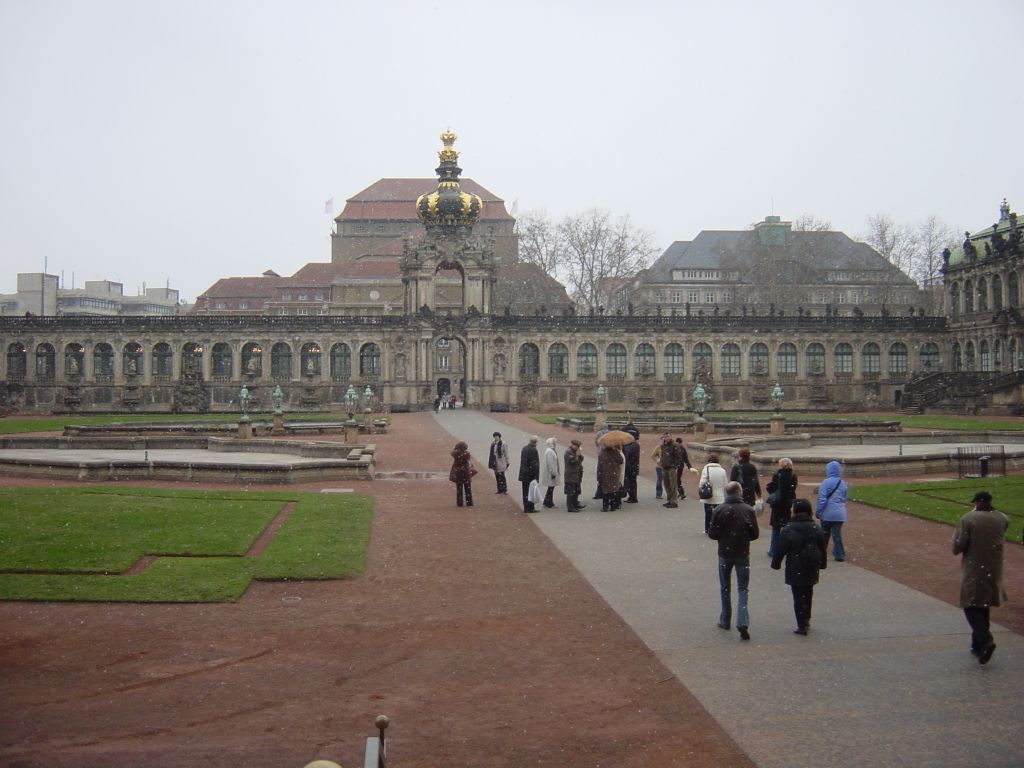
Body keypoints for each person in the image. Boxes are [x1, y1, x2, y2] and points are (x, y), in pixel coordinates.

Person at [951, 491, 1009, 664]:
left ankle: (985, 641)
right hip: (994, 566)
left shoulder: (968, 519)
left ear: (976, 503)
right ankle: (977, 645)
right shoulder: (1002, 518)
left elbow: (958, 546)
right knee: (983, 604)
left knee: (970, 604)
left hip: (974, 566)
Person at [708, 481, 759, 640]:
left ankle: (725, 619)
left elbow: (712, 533)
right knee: (743, 588)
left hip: (725, 552)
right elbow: (755, 534)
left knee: (725, 586)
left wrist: (723, 537)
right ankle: (742, 620)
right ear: (739, 492)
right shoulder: (748, 510)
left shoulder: (719, 510)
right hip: (742, 552)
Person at [771, 498, 826, 635]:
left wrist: (776, 563)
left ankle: (801, 623)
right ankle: (806, 618)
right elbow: (822, 548)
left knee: (798, 595)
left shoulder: (789, 529)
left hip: (795, 565)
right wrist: (822, 563)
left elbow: (781, 549)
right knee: (808, 592)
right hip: (811, 564)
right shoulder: (815, 528)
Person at [765, 457, 798, 557]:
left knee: (776, 529)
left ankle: (774, 550)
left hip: (778, 504)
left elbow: (773, 488)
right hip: (788, 503)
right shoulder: (793, 475)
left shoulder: (777, 475)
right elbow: (793, 489)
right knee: (788, 528)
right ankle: (787, 549)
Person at [815, 460, 848, 561]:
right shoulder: (843, 483)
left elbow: (822, 499)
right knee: (837, 535)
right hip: (840, 513)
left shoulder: (825, 482)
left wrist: (818, 511)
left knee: (824, 534)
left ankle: (820, 553)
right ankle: (839, 554)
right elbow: (844, 498)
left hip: (827, 513)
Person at [699, 454, 728, 533]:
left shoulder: (706, 469)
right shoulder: (722, 470)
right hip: (719, 495)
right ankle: (718, 527)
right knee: (719, 513)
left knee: (708, 513)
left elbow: (702, 482)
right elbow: (725, 483)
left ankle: (708, 528)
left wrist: (702, 488)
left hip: (709, 494)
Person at [597, 444, 624, 512]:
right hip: (614, 475)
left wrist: (598, 477)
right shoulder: (615, 453)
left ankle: (605, 507)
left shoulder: (602, 454)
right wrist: (617, 452)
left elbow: (599, 466)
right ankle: (613, 506)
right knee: (613, 491)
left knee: (605, 492)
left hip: (604, 474)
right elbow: (621, 461)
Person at [563, 439, 586, 512]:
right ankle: (570, 507)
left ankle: (575, 504)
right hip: (570, 475)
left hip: (577, 475)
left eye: (578, 446)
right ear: (572, 445)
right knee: (570, 492)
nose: (577, 447)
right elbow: (571, 461)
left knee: (576, 491)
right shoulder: (568, 452)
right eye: (576, 446)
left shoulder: (575, 452)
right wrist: (577, 455)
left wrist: (580, 455)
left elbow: (581, 460)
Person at [448, 441, 474, 507]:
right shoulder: (467, 453)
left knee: (459, 489)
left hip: (458, 472)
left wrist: (455, 448)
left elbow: (451, 453)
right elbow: (469, 460)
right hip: (466, 472)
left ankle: (460, 503)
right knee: (468, 488)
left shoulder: (455, 453)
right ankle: (469, 502)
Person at [519, 436, 540, 513]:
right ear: (535, 442)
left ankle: (526, 507)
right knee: (531, 492)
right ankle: (530, 507)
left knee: (525, 491)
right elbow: (535, 464)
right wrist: (536, 476)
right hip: (530, 475)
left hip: (524, 473)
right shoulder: (533, 450)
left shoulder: (524, 448)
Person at [659, 433, 682, 508]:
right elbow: (662, 456)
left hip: (671, 467)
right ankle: (669, 500)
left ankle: (674, 501)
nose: (666, 438)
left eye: (668, 436)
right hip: (665, 466)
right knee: (666, 484)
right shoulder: (663, 446)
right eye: (665, 436)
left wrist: (675, 465)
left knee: (673, 484)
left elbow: (678, 457)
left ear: (670, 437)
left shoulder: (675, 445)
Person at [592, 422, 611, 499]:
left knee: (601, 474)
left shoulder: (599, 433)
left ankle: (599, 493)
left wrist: (599, 447)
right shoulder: (610, 433)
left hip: (601, 453)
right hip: (608, 455)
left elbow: (596, 441)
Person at [542, 437, 561, 508]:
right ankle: (548, 502)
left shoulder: (549, 450)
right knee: (551, 488)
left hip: (551, 472)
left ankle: (548, 501)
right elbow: (551, 464)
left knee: (551, 488)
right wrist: (553, 473)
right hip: (551, 473)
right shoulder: (550, 451)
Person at [623, 437, 640, 503]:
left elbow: (629, 456)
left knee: (632, 483)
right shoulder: (630, 445)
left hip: (631, 467)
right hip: (631, 467)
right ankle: (631, 496)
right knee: (631, 483)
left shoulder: (633, 445)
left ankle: (633, 497)